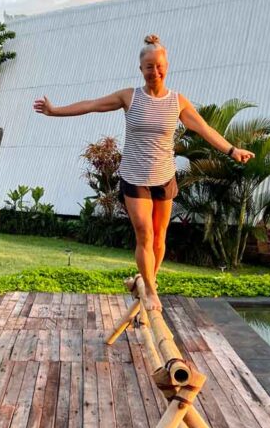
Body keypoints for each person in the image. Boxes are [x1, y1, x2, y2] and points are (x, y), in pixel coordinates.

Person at [33, 34, 254, 311]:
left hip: (164, 177)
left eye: (159, 66)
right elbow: (91, 105)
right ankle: (150, 290)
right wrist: (55, 111)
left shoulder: (177, 102)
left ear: (167, 66)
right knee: (144, 233)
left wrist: (233, 151)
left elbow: (204, 129)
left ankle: (148, 279)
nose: (155, 71)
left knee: (160, 237)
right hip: (135, 177)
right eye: (149, 67)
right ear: (141, 69)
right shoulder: (129, 97)